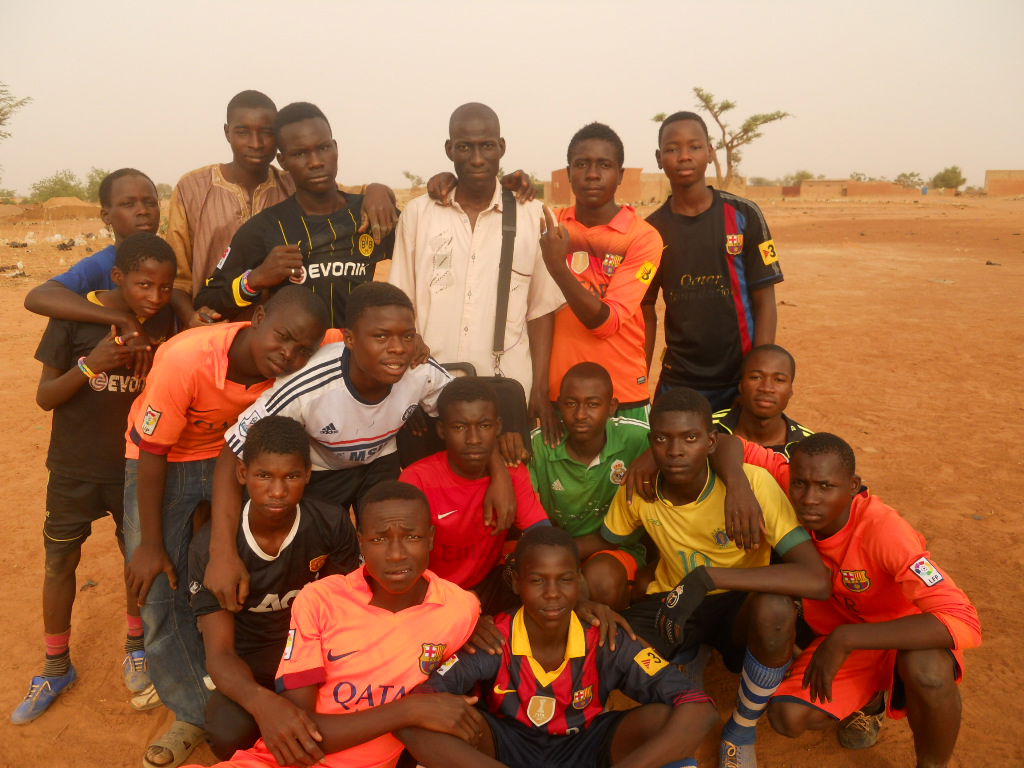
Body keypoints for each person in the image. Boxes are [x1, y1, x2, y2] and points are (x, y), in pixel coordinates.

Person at [123, 285, 330, 768]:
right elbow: (151, 452)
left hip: (235, 462)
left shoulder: (305, 336)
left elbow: (355, 334)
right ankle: (193, 709)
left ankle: (232, 684)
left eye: (304, 350)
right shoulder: (186, 360)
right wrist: (151, 542)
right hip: (164, 460)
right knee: (157, 583)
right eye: (281, 338)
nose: (289, 355)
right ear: (257, 317)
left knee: (225, 570)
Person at [602, 387, 831, 768]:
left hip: (740, 602)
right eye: (663, 439)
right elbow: (605, 539)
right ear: (651, 442)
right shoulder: (640, 488)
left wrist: (708, 577)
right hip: (674, 599)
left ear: (710, 442)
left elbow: (817, 580)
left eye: (690, 438)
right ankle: (676, 710)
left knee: (775, 612)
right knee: (615, 649)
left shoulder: (753, 484)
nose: (675, 451)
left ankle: (741, 727)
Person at [721, 433, 981, 768]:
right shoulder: (798, 481)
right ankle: (871, 699)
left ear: (854, 485)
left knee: (927, 671)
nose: (809, 499)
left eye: (826, 487)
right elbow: (729, 444)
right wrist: (737, 484)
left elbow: (964, 621)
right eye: (800, 484)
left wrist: (846, 639)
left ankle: (932, 765)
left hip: (904, 636)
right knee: (788, 718)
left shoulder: (885, 531)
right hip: (850, 637)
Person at [189, 481, 483, 768]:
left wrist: (485, 623)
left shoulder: (458, 609)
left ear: (431, 537)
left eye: (412, 537)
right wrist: (410, 710)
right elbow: (301, 731)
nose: (396, 554)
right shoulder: (321, 598)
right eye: (379, 539)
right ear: (361, 540)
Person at [12, 233, 179, 725]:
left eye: (165, 287)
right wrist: (92, 365)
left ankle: (136, 647)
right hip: (73, 468)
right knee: (60, 560)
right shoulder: (73, 317)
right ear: (118, 278)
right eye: (144, 284)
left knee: (137, 559)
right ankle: (55, 665)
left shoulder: (169, 322)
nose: (153, 296)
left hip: (136, 470)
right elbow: (46, 397)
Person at [397, 526, 718, 768]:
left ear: (579, 581)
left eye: (564, 580)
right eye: (537, 580)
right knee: (431, 720)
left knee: (664, 720)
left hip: (586, 746)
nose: (552, 593)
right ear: (516, 582)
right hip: (504, 749)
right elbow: (420, 705)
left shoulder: (608, 638)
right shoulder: (493, 640)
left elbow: (700, 707)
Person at [190, 415, 361, 759]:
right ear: (242, 474)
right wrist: (263, 703)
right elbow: (220, 654)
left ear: (308, 475)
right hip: (250, 667)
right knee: (229, 732)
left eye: (292, 476)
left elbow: (343, 613)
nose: (278, 491)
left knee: (346, 722)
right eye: (264, 476)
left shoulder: (330, 522)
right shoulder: (213, 548)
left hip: (315, 658)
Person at [389, 102, 564, 427]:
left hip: (506, 392)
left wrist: (539, 388)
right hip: (427, 392)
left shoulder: (533, 215)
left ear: (501, 147)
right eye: (465, 147)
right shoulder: (418, 215)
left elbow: (541, 311)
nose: (478, 158)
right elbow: (400, 302)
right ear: (449, 149)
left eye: (486, 145)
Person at [195, 101, 398, 329]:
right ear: (284, 161)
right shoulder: (265, 228)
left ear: (335, 148)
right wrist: (255, 280)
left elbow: (425, 260)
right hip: (296, 361)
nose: (315, 162)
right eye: (300, 153)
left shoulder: (368, 213)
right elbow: (207, 300)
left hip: (359, 359)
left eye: (323, 148)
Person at [642, 112, 784, 411]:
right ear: (658, 157)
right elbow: (645, 309)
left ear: (709, 152)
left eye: (694, 147)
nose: (683, 157)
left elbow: (765, 302)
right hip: (679, 378)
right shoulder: (650, 231)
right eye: (672, 149)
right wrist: (639, 377)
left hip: (738, 378)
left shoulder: (744, 215)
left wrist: (756, 377)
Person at [538, 122, 664, 422]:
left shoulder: (643, 237)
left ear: (620, 175)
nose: (592, 174)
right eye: (581, 164)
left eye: (604, 165)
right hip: (561, 395)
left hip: (621, 395)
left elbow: (607, 323)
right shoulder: (548, 226)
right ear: (568, 172)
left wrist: (558, 267)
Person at [400, 376, 550, 612]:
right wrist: (460, 608)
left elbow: (544, 538)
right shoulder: (417, 479)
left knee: (543, 574)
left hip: (487, 585)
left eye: (484, 426)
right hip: (429, 592)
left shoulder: (512, 473)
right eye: (459, 427)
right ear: (442, 430)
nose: (473, 439)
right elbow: (403, 564)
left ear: (498, 427)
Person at [22, 169, 177, 372]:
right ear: (106, 215)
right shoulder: (99, 265)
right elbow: (37, 297)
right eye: (128, 204)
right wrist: (125, 320)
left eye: (150, 203)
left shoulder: (165, 262)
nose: (143, 211)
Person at [528, 362, 649, 610]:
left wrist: (651, 457)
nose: (581, 414)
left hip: (615, 548)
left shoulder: (636, 438)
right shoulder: (540, 444)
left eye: (593, 404)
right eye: (571, 404)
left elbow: (676, 440)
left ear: (612, 407)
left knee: (600, 579)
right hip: (552, 548)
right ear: (559, 405)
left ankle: (604, 644)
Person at [167, 90, 294, 306]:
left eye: (267, 132)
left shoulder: (294, 186)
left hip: (281, 330)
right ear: (227, 133)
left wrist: (373, 190)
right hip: (212, 326)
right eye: (243, 132)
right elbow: (178, 279)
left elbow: (345, 196)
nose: (256, 143)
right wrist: (191, 318)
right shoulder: (192, 188)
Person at [712, 344, 812, 458]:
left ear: (790, 390)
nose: (766, 388)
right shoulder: (707, 429)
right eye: (756, 377)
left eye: (779, 380)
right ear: (741, 385)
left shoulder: (808, 446)